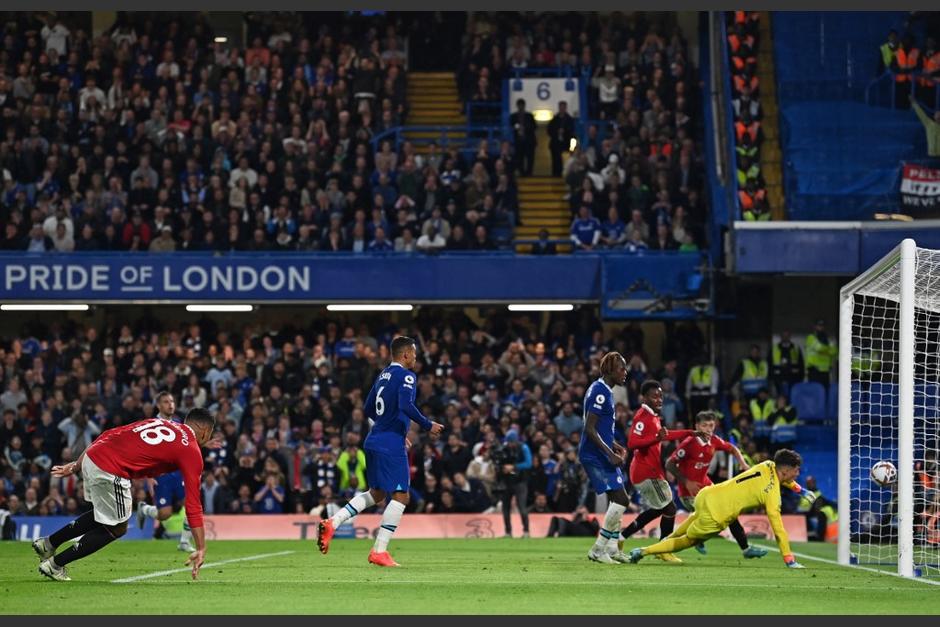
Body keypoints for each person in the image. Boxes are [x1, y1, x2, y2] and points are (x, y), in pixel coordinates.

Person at [32, 408, 216, 581]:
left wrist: (76, 465)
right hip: (110, 469)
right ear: (205, 431)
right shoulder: (191, 450)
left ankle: (47, 544)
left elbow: (108, 434)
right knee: (118, 527)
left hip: (92, 456)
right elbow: (193, 504)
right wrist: (201, 547)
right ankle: (55, 565)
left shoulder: (163, 423)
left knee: (104, 516)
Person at [317, 336, 443, 567]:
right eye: (414, 353)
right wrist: (427, 425)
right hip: (389, 444)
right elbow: (406, 405)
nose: (415, 357)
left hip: (373, 440)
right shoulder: (407, 375)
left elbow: (367, 408)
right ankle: (379, 551)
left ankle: (333, 523)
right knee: (401, 495)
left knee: (377, 493)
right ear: (405, 354)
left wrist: (391, 426)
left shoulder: (383, 375)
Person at [628, 448, 813, 569]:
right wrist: (789, 559)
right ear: (786, 470)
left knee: (691, 521)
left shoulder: (767, 465)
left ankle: (660, 544)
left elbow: (784, 479)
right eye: (796, 471)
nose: (798, 474)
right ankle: (644, 551)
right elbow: (779, 529)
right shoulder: (772, 494)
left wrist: (800, 489)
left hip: (708, 494)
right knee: (688, 541)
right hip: (719, 513)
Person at [665, 411, 768, 559]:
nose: (708, 429)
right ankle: (687, 539)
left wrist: (744, 464)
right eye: (704, 425)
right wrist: (687, 482)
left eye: (711, 425)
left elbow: (732, 448)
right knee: (713, 516)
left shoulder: (714, 440)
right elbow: (669, 463)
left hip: (706, 486)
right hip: (688, 492)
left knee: (730, 512)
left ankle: (745, 549)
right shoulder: (689, 443)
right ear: (697, 426)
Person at [617, 380, 695, 562]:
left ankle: (621, 537)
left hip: (648, 471)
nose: (659, 399)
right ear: (645, 398)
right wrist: (654, 438)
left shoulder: (653, 416)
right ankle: (663, 549)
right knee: (670, 508)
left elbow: (664, 436)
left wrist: (690, 432)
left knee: (658, 509)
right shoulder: (642, 416)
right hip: (646, 472)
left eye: (661, 395)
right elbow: (632, 443)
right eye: (655, 396)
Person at [579, 352, 632, 564]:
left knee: (615, 500)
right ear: (609, 370)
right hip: (594, 455)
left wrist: (616, 445)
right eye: (621, 368)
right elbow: (589, 428)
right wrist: (610, 453)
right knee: (622, 499)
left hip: (601, 452)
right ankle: (598, 549)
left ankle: (611, 549)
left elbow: (601, 429)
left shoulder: (604, 390)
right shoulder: (600, 392)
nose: (625, 373)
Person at [135, 391, 195, 553]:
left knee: (192, 505)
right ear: (159, 405)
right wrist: (148, 477)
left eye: (172, 401)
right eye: (166, 402)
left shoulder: (178, 424)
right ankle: (145, 509)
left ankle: (184, 542)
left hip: (178, 473)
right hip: (161, 476)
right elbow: (145, 454)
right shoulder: (151, 425)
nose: (170, 404)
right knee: (165, 514)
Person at [493, 428, 533, 537]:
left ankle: (526, 531)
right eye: (508, 442)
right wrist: (502, 468)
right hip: (507, 481)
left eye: (511, 442)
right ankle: (508, 532)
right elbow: (498, 462)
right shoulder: (503, 449)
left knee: (522, 507)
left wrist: (514, 467)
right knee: (505, 507)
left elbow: (529, 463)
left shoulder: (523, 447)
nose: (509, 444)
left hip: (520, 481)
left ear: (516, 441)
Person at [509, 98, 536, 177]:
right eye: (519, 105)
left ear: (524, 106)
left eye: (522, 105)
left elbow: (534, 126)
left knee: (530, 158)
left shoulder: (529, 116)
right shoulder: (513, 116)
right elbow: (512, 126)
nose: (520, 107)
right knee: (519, 158)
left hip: (529, 141)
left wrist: (525, 128)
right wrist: (518, 128)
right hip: (519, 141)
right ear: (517, 106)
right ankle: (522, 173)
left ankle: (529, 173)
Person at [805, 319, 837, 386]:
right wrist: (828, 349)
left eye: (822, 326)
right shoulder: (811, 337)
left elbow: (834, 351)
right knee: (815, 392)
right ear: (814, 327)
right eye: (819, 326)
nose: (821, 327)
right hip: (814, 371)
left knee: (825, 392)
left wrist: (825, 348)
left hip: (826, 371)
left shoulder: (828, 338)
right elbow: (819, 348)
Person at [547, 101, 575, 177]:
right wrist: (557, 132)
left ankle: (566, 173)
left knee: (568, 159)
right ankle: (555, 174)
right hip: (556, 142)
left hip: (566, 142)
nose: (562, 109)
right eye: (561, 107)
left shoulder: (569, 120)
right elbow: (549, 131)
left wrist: (572, 148)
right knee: (555, 159)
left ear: (565, 108)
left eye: (563, 107)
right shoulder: (554, 119)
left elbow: (573, 133)